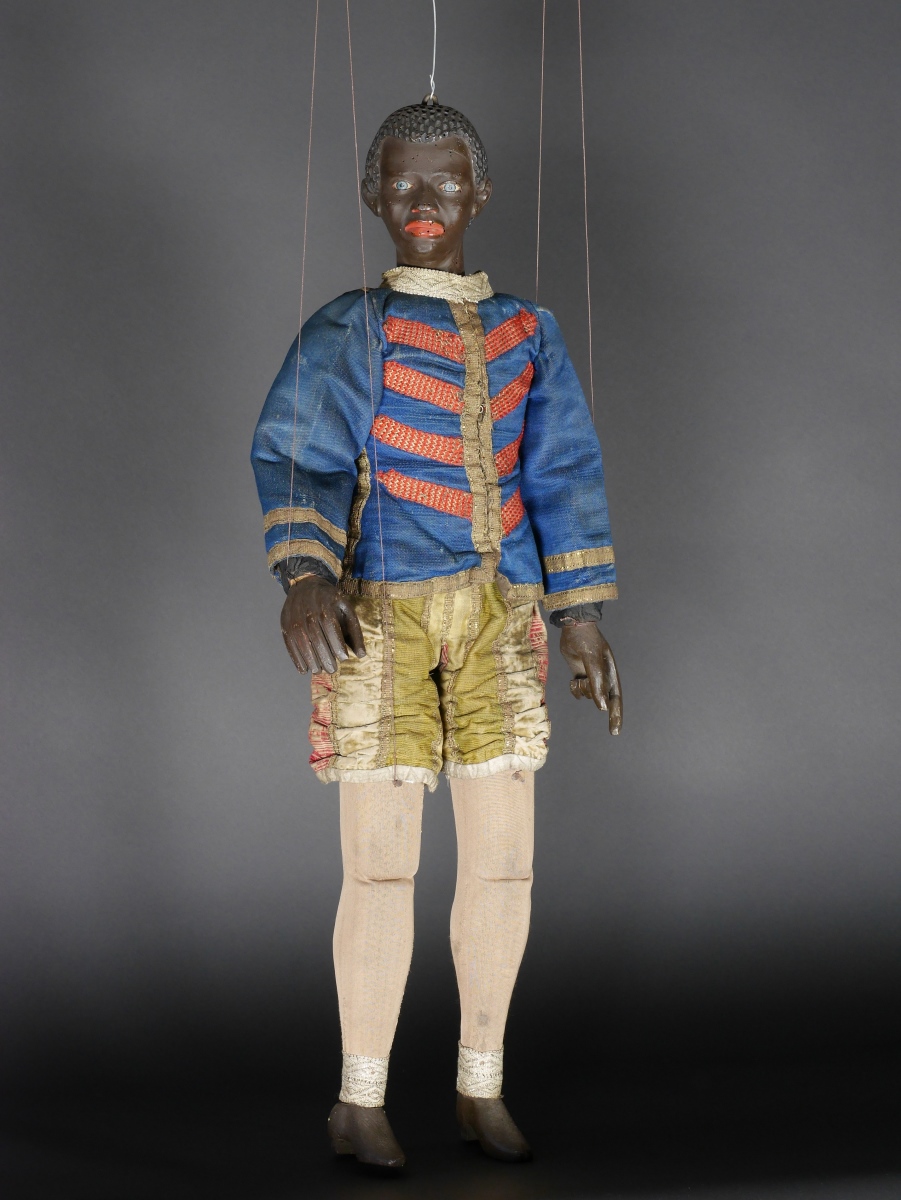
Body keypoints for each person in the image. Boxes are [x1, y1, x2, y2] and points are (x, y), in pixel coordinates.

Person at [251, 98, 622, 1170]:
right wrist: (305, 573)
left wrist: (579, 616)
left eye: (445, 182)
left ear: (479, 193)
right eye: (403, 183)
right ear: (372, 194)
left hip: (499, 617)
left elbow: (562, 473)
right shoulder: (347, 329)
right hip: (380, 618)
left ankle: (480, 1086)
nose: (424, 202)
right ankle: (359, 1100)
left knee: (504, 867)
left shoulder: (526, 332)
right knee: (379, 869)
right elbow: (299, 453)